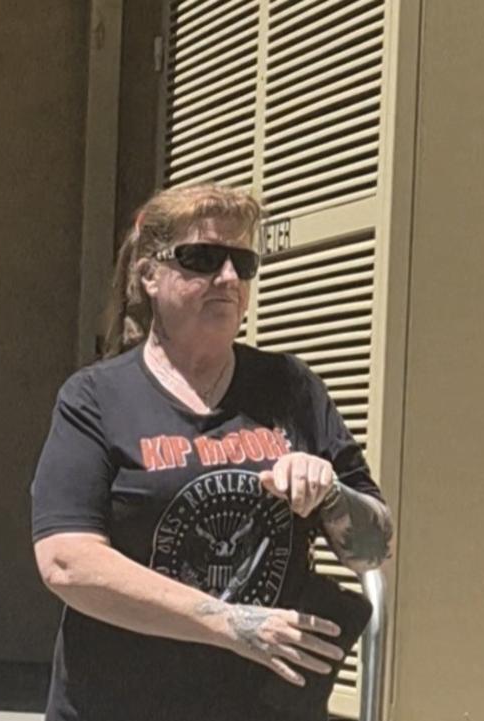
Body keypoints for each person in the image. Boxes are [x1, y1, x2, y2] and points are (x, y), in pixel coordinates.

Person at [29, 184, 394, 720]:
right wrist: (232, 625)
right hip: (122, 704)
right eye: (201, 259)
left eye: (241, 263)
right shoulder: (96, 399)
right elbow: (67, 562)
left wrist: (329, 493)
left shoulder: (290, 388)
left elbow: (373, 549)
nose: (226, 278)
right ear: (149, 275)